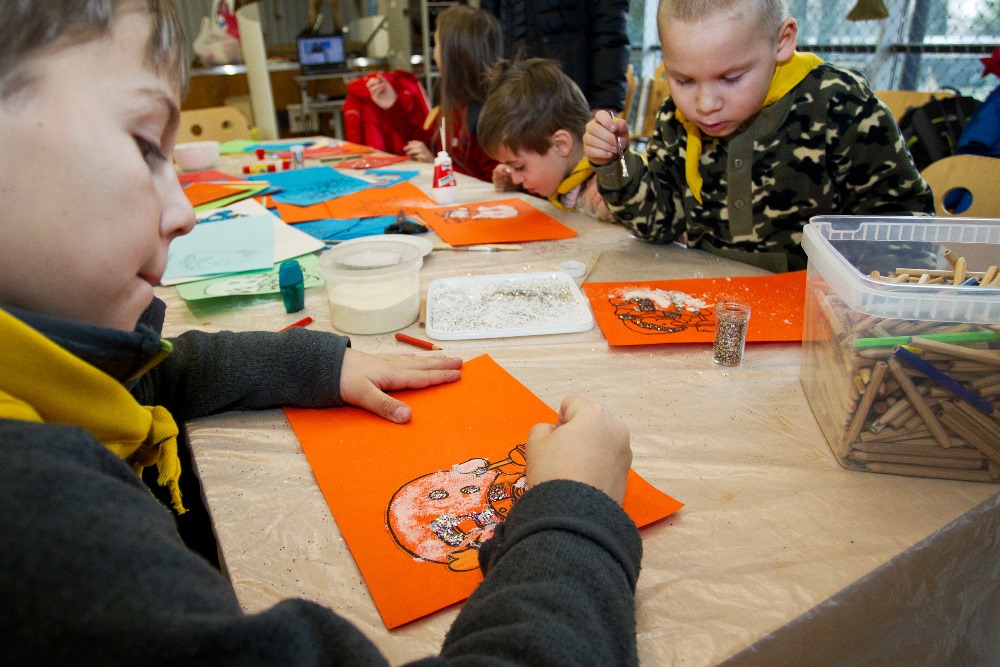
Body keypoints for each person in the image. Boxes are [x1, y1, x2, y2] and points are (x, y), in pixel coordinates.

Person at [0, 1, 642, 664]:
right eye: (142, 145)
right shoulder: (37, 525)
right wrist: (575, 513)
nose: (183, 211)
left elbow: (154, 374)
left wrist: (316, 363)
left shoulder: (48, 372)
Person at [583, 0, 936, 274]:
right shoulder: (676, 117)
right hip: (709, 295)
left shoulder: (840, 103)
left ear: (782, 43)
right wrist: (614, 164)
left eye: (732, 78)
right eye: (684, 80)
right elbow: (659, 222)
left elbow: (902, 222)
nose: (705, 105)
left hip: (819, 309)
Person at [365, 5, 501, 182]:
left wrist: (437, 167)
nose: (434, 52)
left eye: (436, 44)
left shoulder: (485, 114)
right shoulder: (453, 101)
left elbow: (493, 184)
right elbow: (421, 143)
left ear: (452, 52)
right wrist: (392, 105)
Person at [478, 57, 614, 223]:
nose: (515, 177)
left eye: (519, 167)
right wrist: (516, 185)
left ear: (560, 144)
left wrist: (618, 201)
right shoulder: (559, 171)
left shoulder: (605, 183)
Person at [478, 0, 631, 113]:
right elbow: (490, 22)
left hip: (569, 93)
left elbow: (610, 30)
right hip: (513, 92)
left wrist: (605, 104)